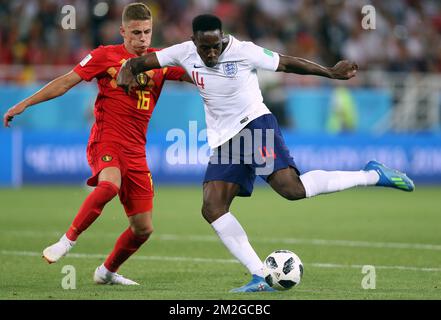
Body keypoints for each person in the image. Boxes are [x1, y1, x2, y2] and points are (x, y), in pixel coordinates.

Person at [117, 14, 415, 292]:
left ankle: (371, 174)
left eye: (216, 46)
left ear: (223, 38)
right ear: (194, 43)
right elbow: (139, 64)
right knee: (213, 207)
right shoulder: (182, 51)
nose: (211, 54)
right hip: (224, 140)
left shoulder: (243, 50)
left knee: (292, 190)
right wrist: (125, 74)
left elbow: (285, 63)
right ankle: (260, 274)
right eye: (205, 48)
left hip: (254, 124)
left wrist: (329, 72)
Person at [3, 3, 190, 285]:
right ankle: (67, 240)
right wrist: (25, 103)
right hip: (107, 140)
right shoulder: (106, 55)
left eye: (147, 32)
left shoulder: (159, 61)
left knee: (143, 229)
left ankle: (106, 272)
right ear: (122, 32)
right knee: (109, 185)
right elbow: (66, 82)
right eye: (136, 32)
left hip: (137, 151)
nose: (142, 38)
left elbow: (198, 76)